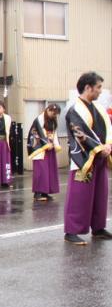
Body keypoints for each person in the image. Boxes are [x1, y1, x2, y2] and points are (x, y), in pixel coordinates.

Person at [63, 72, 112, 245]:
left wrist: (108, 145)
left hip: (99, 156)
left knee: (100, 194)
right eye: (98, 87)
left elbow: (108, 127)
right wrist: (99, 148)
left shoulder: (97, 107)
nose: (100, 91)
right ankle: (71, 231)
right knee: (79, 196)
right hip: (83, 159)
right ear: (87, 87)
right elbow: (80, 132)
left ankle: (98, 228)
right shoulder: (74, 109)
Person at [27, 104, 62, 202]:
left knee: (49, 171)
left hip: (49, 148)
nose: (53, 115)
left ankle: (45, 192)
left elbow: (54, 133)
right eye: (51, 112)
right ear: (47, 110)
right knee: (41, 171)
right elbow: (37, 133)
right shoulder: (39, 119)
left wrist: (55, 144)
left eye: (55, 114)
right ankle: (37, 193)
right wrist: (46, 144)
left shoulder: (53, 121)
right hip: (40, 149)